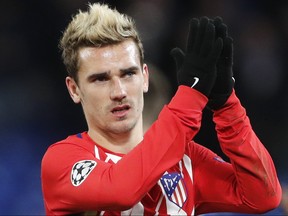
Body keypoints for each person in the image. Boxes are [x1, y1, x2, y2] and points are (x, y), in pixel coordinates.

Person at [41, 2, 282, 215]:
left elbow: (263, 196)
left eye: (128, 74)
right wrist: (191, 94)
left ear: (145, 77)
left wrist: (226, 103)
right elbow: (122, 191)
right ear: (74, 89)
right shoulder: (62, 160)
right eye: (100, 79)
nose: (119, 92)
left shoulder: (186, 159)